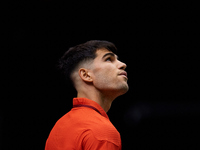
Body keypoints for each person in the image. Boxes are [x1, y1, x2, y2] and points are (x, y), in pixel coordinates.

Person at [45, 40, 129, 150]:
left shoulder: (59, 127)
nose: (123, 64)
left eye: (117, 59)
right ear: (86, 75)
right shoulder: (101, 132)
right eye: (109, 59)